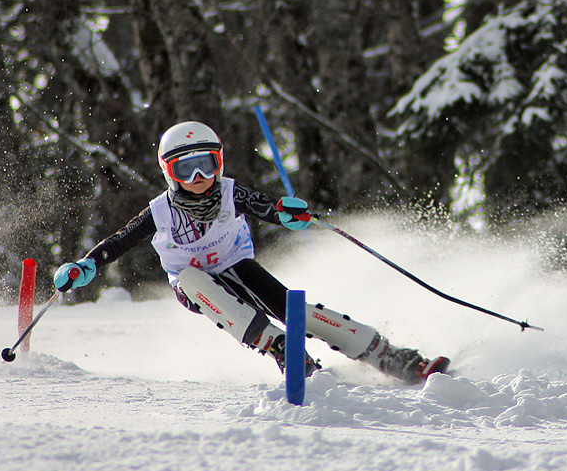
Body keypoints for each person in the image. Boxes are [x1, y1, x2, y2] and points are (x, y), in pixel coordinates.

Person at [52, 121, 448, 384]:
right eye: (185, 170)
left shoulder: (229, 191)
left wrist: (287, 214)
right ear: (169, 173)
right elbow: (120, 241)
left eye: (206, 165)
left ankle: (389, 356)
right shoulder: (160, 211)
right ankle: (279, 346)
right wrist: (86, 266)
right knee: (192, 279)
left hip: (237, 268)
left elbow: (267, 206)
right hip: (196, 286)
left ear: (218, 162)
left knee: (296, 310)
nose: (199, 178)